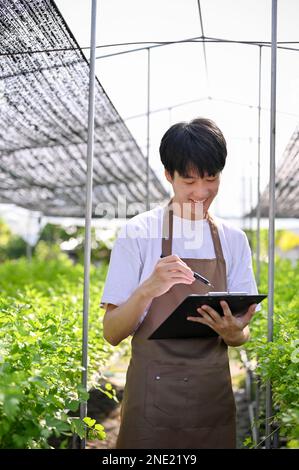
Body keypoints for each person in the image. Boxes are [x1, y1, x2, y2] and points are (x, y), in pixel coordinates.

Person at [101, 117, 259, 449]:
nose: (201, 192)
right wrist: (148, 288)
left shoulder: (233, 239)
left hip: (211, 394)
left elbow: (241, 334)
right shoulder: (139, 233)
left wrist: (234, 333)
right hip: (152, 396)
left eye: (211, 178)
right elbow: (112, 332)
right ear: (168, 176)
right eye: (188, 181)